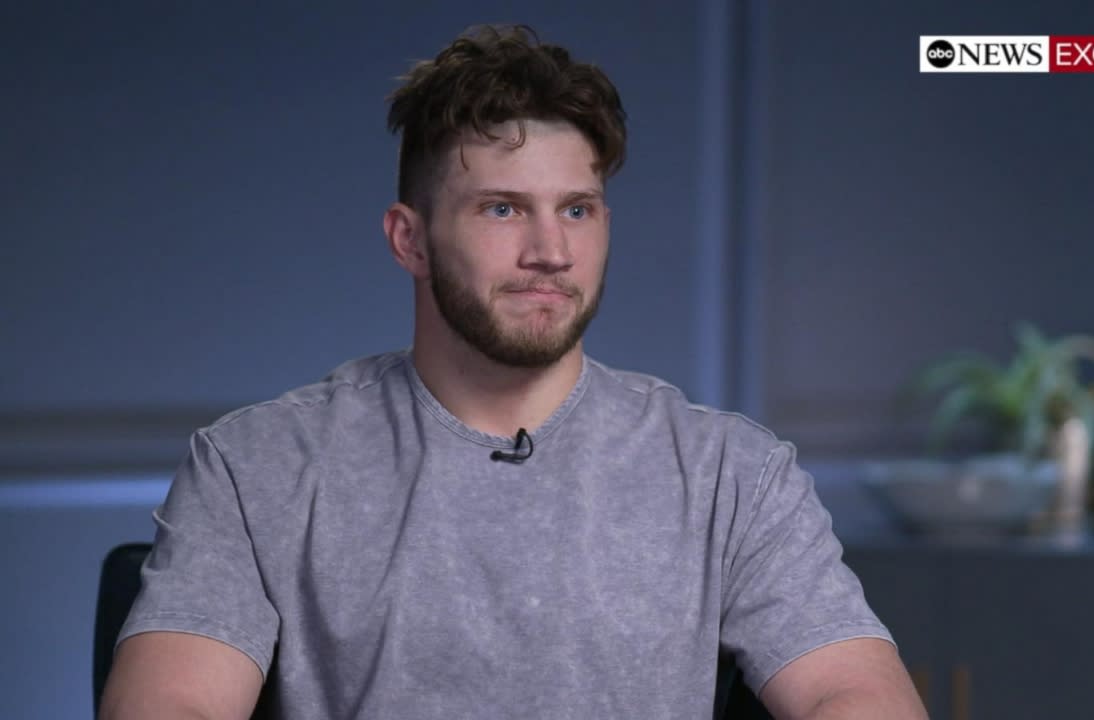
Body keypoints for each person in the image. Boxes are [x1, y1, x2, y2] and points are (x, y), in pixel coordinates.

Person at [100, 25, 927, 720]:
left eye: (577, 209)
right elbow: (173, 706)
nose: (551, 251)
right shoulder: (258, 467)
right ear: (409, 240)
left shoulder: (730, 474)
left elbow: (854, 693)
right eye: (502, 209)